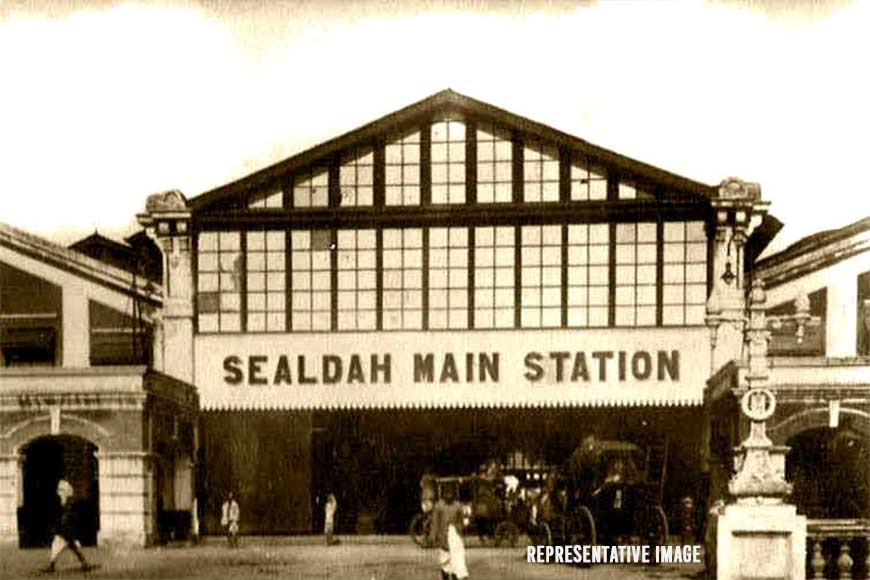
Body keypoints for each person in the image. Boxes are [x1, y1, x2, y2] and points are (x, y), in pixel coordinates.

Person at [42, 479, 96, 573]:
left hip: (65, 532)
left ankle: (51, 565)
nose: (59, 492)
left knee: (58, 548)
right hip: (65, 531)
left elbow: (68, 518)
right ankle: (84, 564)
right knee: (71, 548)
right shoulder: (64, 503)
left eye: (61, 490)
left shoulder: (69, 503)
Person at [430, 487, 469, 580]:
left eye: (450, 494)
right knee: (444, 563)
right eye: (446, 494)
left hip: (455, 538)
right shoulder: (439, 506)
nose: (449, 496)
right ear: (443, 496)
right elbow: (435, 522)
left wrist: (460, 529)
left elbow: (463, 520)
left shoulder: (458, 506)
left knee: (457, 562)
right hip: (443, 537)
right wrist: (433, 536)